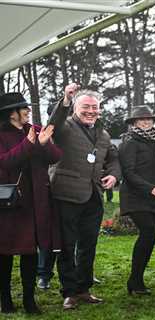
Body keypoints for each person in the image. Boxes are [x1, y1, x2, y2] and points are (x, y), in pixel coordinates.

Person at [49, 83, 121, 310]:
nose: (91, 111)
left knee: (88, 245)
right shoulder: (65, 127)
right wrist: (65, 100)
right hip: (66, 195)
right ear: (74, 108)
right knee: (67, 245)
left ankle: (83, 289)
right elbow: (53, 124)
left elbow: (114, 160)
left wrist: (113, 176)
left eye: (95, 107)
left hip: (93, 197)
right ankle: (69, 292)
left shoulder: (104, 134)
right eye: (85, 107)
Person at [0, 93, 62, 314]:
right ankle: (5, 299)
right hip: (9, 205)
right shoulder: (2, 134)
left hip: (36, 202)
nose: (27, 110)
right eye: (23, 108)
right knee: (4, 254)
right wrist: (29, 143)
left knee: (30, 252)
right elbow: (6, 162)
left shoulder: (35, 129)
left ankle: (29, 300)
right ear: (11, 113)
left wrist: (43, 144)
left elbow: (55, 156)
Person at [119, 105, 155, 295]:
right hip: (135, 196)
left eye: (149, 119)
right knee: (147, 233)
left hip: (152, 197)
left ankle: (136, 280)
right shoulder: (130, 141)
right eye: (141, 119)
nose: (146, 122)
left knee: (151, 237)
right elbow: (128, 173)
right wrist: (151, 188)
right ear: (134, 123)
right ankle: (135, 280)